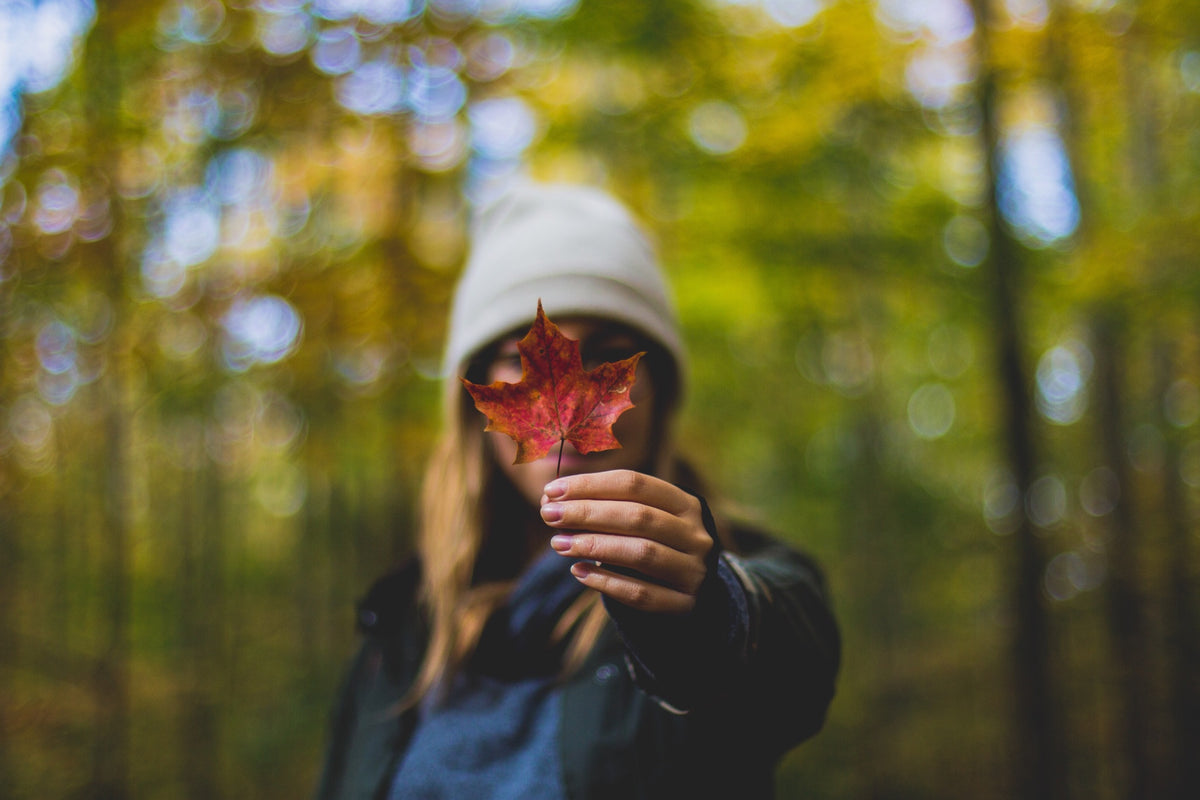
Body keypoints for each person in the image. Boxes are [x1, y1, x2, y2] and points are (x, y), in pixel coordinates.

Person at [315, 181, 840, 800]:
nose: (567, 392)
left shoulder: (719, 572)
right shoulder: (398, 634)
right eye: (521, 355)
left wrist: (705, 614)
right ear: (475, 399)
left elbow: (786, 657)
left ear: (660, 395)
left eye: (612, 355)